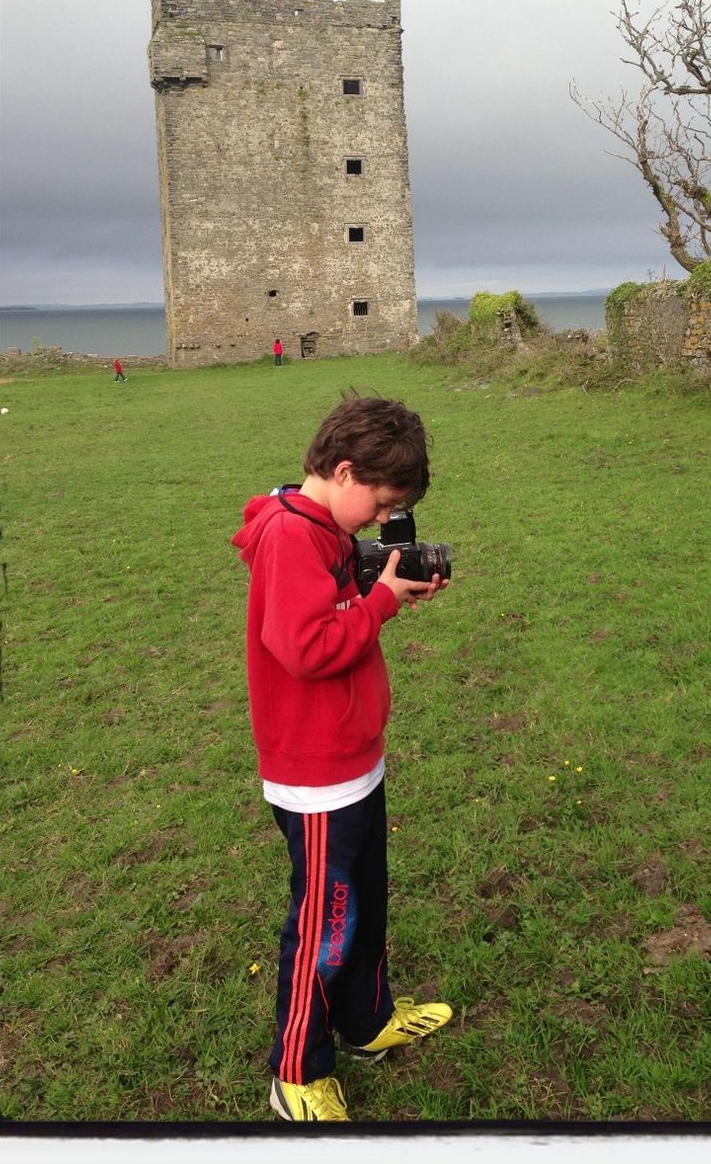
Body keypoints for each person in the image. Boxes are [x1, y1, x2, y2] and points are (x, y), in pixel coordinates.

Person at [231, 396, 452, 1122]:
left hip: (354, 758)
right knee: (326, 925)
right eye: (380, 504)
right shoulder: (293, 537)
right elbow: (304, 647)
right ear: (347, 470)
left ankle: (364, 1021)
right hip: (316, 774)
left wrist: (378, 586)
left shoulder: (322, 528)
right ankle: (296, 1069)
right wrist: (380, 602)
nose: (379, 519)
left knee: (363, 903)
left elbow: (331, 611)